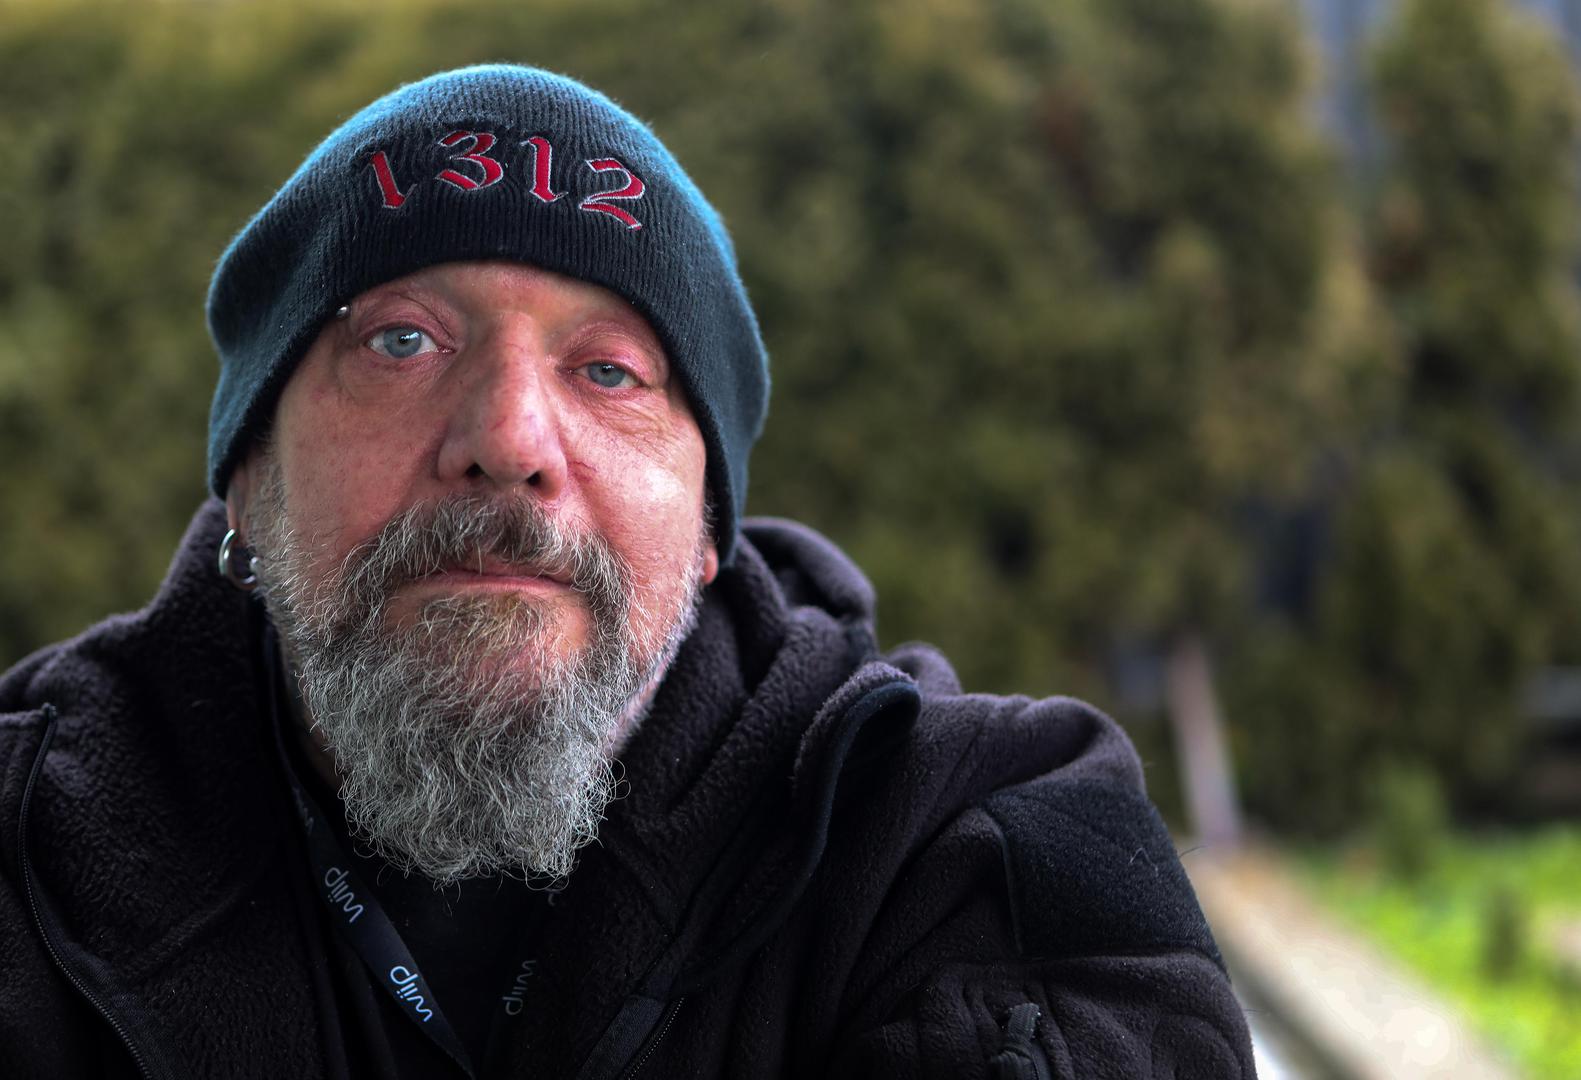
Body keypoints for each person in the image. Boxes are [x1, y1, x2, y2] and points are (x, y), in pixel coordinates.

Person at [0, 66, 1256, 1079]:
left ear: (710, 528)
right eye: (401, 342)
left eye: (609, 370)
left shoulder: (976, 846)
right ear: (250, 479)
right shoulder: (26, 849)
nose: (507, 439)